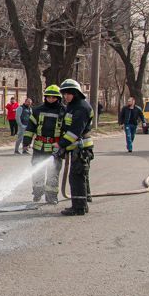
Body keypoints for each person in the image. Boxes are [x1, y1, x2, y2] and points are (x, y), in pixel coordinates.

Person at [53, 78, 95, 216]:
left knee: (76, 177)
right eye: (64, 94)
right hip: (76, 148)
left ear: (76, 93)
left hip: (81, 149)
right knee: (80, 176)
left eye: (68, 93)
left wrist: (60, 145)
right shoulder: (73, 106)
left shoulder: (81, 108)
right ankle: (83, 201)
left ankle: (79, 208)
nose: (65, 96)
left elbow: (74, 132)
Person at [22, 85, 66, 204]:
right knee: (37, 172)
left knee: (53, 173)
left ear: (58, 98)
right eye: (48, 97)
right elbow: (30, 128)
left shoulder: (64, 111)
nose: (51, 99)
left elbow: (66, 130)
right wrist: (26, 142)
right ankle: (37, 193)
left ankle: (51, 196)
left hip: (55, 148)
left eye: (54, 97)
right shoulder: (37, 110)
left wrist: (64, 146)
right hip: (39, 147)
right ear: (45, 97)